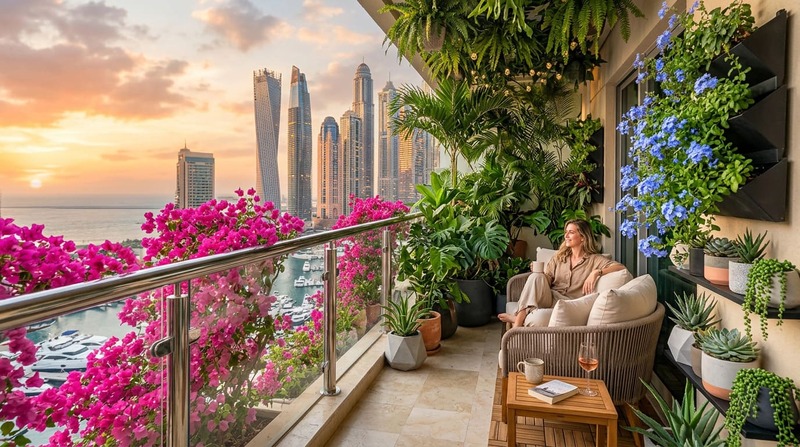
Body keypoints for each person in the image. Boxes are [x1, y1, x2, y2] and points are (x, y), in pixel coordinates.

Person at [498, 219, 625, 328]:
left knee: (537, 315)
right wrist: (539, 274)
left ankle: (516, 320)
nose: (566, 236)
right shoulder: (559, 257)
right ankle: (518, 323)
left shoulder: (595, 260)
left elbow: (620, 267)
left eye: (571, 232)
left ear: (582, 237)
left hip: (568, 305)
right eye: (566, 232)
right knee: (536, 276)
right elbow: (547, 280)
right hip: (550, 298)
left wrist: (597, 272)